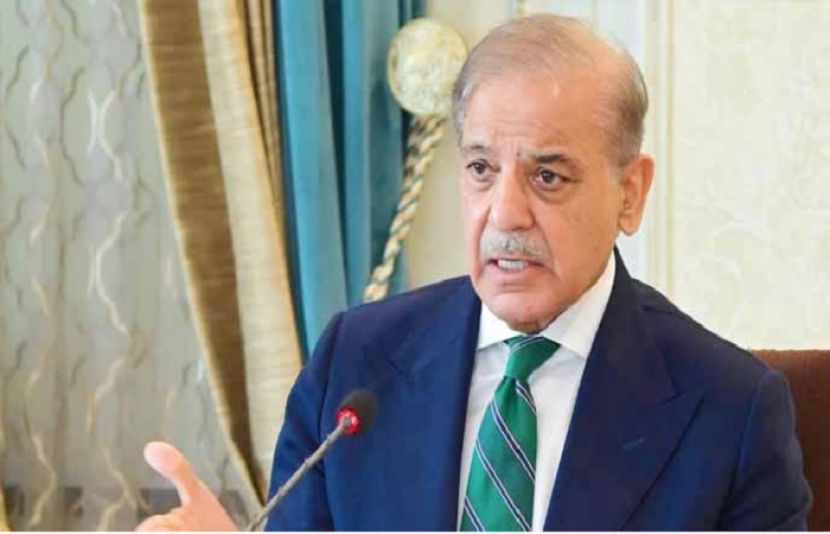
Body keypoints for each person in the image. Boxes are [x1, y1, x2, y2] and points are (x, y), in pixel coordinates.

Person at [137, 14, 811, 531]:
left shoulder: (730, 411)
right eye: (482, 169)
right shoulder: (355, 363)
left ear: (629, 194)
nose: (504, 213)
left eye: (548, 176)